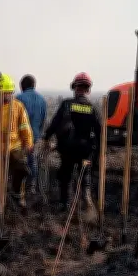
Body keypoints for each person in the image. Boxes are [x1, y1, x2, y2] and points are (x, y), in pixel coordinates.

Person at [41, 72, 102, 212]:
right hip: (85, 150)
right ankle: (86, 196)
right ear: (88, 90)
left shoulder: (66, 104)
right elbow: (100, 133)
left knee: (65, 176)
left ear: (75, 88)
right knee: (85, 175)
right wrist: (97, 154)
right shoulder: (93, 108)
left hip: (67, 149)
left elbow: (54, 123)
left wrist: (46, 138)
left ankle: (64, 204)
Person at [0, 73, 33, 211]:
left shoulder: (18, 106)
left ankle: (18, 194)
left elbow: (24, 126)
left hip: (14, 147)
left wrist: (28, 142)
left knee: (23, 169)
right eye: (5, 93)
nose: (7, 96)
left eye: (9, 93)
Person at [16, 74, 47, 194]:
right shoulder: (42, 100)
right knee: (32, 160)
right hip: (34, 135)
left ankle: (19, 186)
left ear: (22, 86)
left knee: (19, 162)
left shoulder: (19, 98)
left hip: (20, 136)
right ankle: (32, 185)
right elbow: (44, 119)